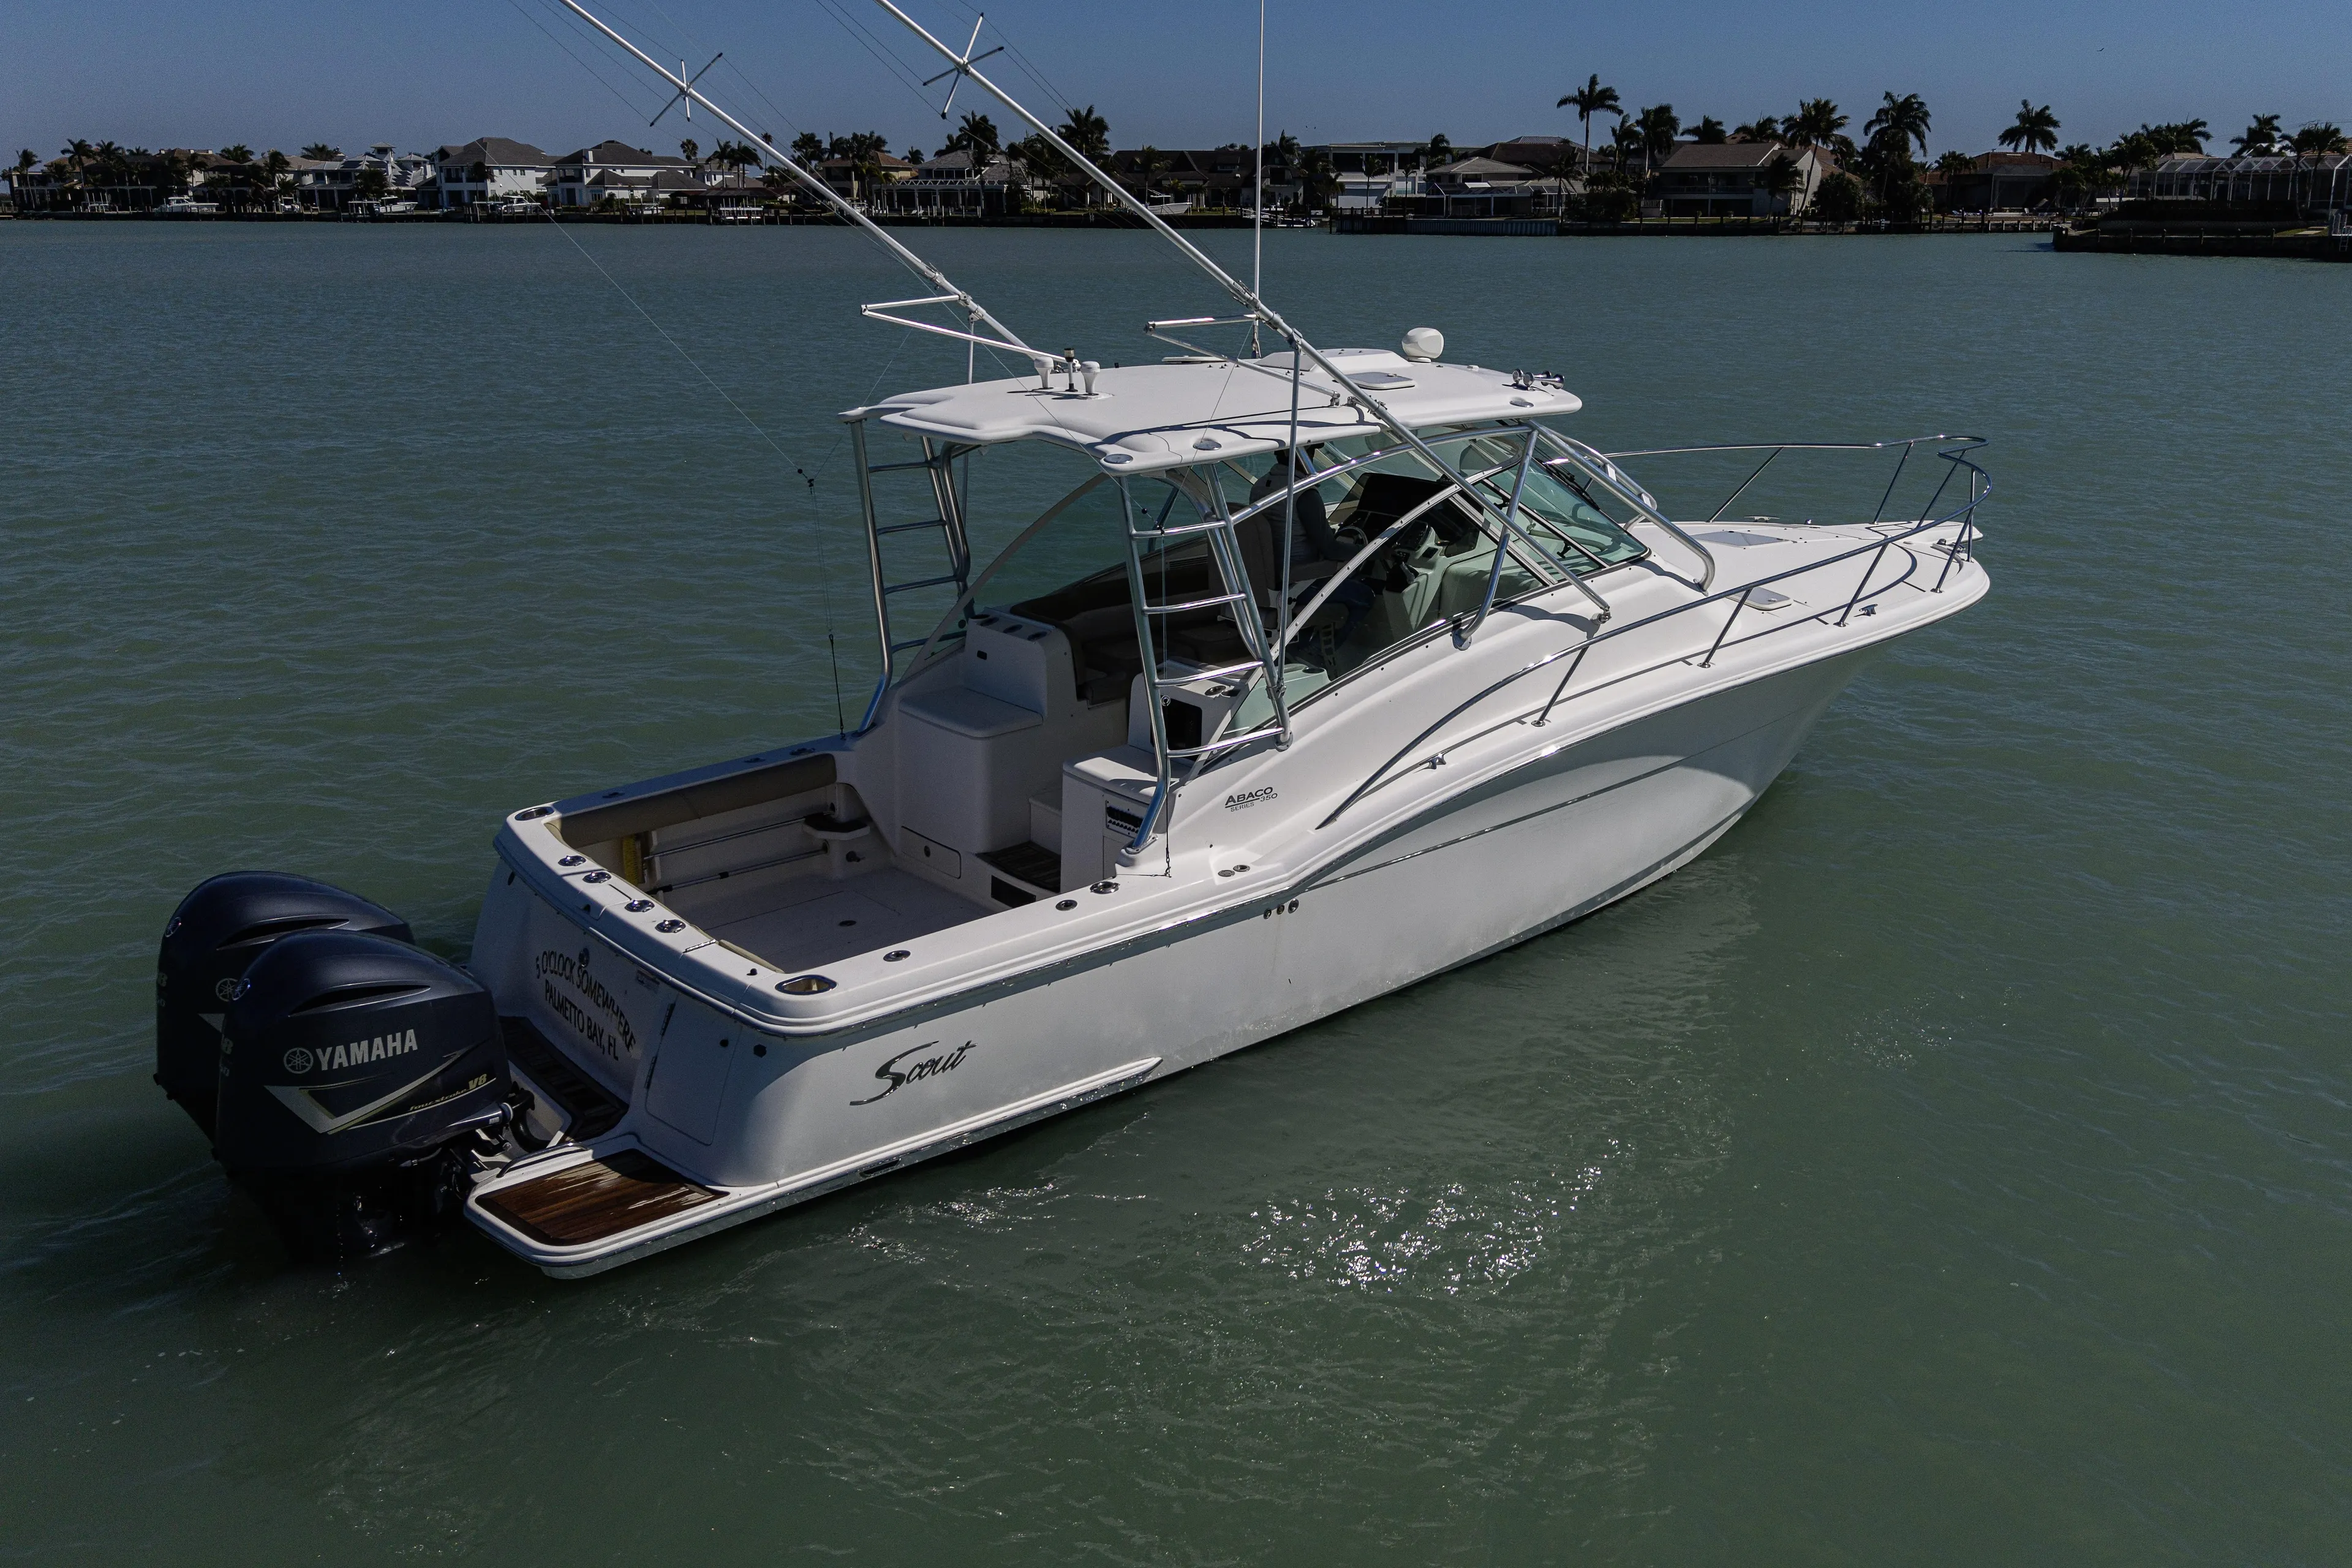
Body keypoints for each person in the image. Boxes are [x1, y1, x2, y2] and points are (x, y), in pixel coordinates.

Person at [1247, 447, 1373, 643]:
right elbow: (1331, 550)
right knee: (1365, 596)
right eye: (1310, 452)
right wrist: (1371, 551)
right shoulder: (1304, 494)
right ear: (1304, 456)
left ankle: (1307, 645)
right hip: (1299, 584)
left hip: (1266, 581)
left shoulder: (1260, 486)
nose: (1312, 458)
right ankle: (1325, 652)